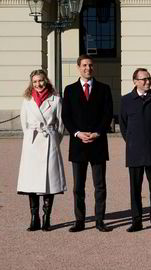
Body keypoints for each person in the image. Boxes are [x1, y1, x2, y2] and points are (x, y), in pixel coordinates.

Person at [62, 54, 113, 232]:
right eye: (84, 65)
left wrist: (98, 132)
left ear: (94, 67)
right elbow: (66, 116)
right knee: (78, 187)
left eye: (90, 65)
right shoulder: (69, 90)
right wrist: (77, 133)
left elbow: (108, 114)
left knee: (100, 186)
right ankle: (80, 221)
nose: (87, 68)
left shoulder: (104, 89)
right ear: (78, 67)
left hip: (98, 142)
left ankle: (100, 221)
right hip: (78, 144)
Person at [120, 68, 151, 233]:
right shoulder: (126, 100)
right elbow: (124, 125)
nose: (147, 82)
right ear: (135, 81)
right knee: (135, 189)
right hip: (134, 151)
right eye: (143, 79)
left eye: (149, 79)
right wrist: (133, 141)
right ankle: (137, 221)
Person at [17, 69, 67, 232]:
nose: (38, 84)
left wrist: (53, 139)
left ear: (46, 81)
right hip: (32, 142)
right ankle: (34, 217)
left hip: (49, 140)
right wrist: (31, 137)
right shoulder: (27, 100)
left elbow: (61, 124)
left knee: (49, 180)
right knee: (31, 181)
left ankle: (47, 218)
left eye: (41, 81)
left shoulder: (56, 99)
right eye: (35, 82)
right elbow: (24, 124)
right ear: (31, 83)